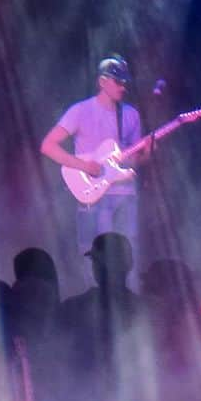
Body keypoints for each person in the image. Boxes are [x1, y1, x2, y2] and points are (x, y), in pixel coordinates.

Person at [39, 55, 149, 285]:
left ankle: (128, 305)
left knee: (129, 256)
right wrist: (84, 165)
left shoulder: (130, 114)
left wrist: (146, 152)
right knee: (94, 256)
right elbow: (48, 146)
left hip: (125, 195)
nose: (123, 86)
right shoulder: (80, 111)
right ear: (102, 82)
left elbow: (134, 160)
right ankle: (96, 307)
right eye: (118, 81)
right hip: (94, 195)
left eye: (125, 82)